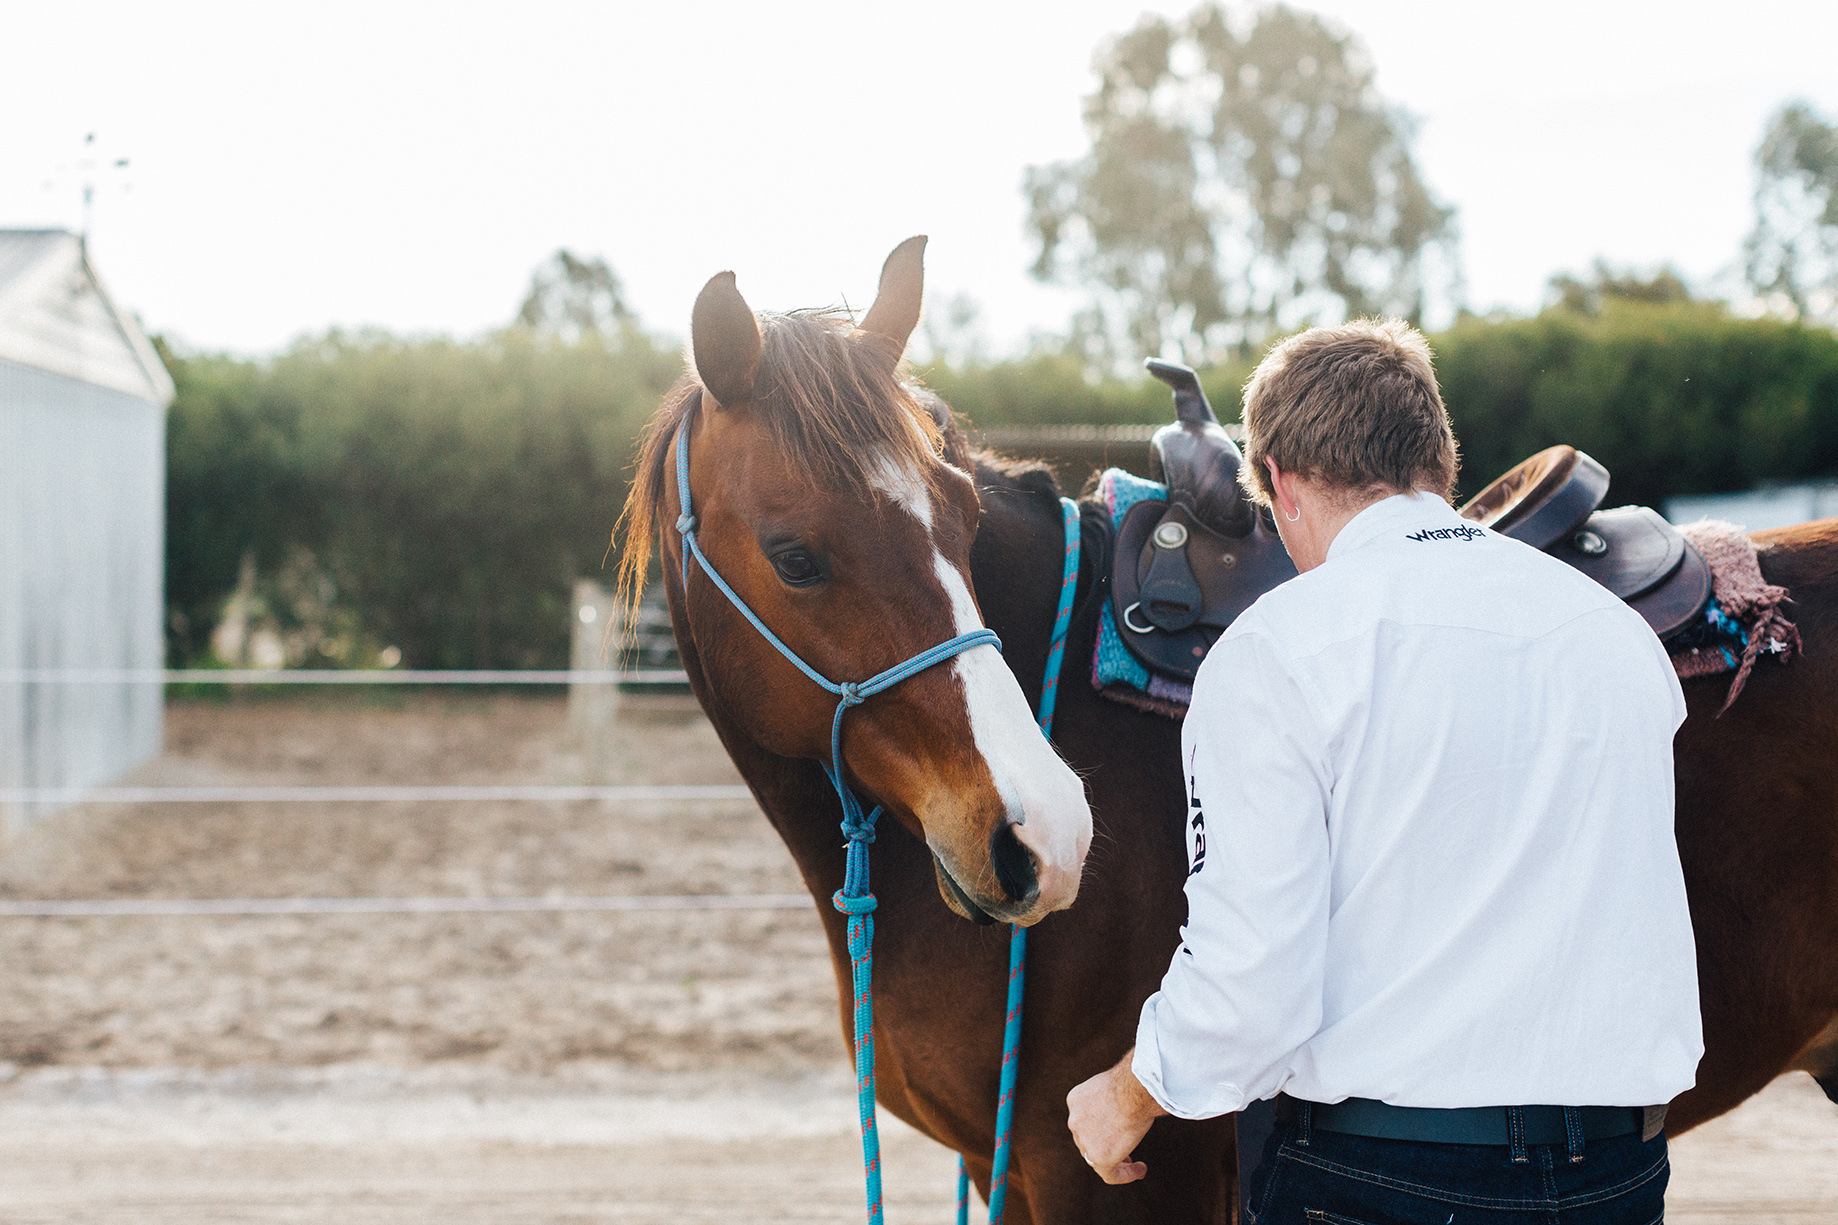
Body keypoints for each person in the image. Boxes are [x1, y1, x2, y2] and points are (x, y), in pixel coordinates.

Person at [1066, 320, 1702, 1223]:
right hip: (1617, 1176)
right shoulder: (1616, 636)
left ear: (1278, 481)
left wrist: (1127, 1097)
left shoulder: (1274, 653)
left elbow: (1252, 985)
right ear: (1439, 464)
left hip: (1381, 1180)